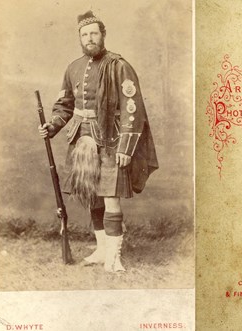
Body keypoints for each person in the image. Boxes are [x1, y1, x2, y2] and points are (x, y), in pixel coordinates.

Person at [38, 11, 158, 272]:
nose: (89, 38)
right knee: (93, 196)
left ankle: (114, 258)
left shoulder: (119, 65)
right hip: (82, 140)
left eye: (94, 33)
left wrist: (126, 147)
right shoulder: (73, 67)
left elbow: (132, 109)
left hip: (112, 141)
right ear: (80, 38)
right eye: (84, 34)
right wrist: (53, 125)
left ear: (103, 35)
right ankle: (102, 250)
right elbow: (64, 105)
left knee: (111, 197)